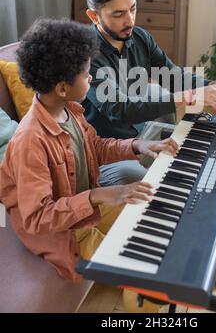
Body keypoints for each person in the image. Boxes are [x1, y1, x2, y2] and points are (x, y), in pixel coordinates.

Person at [0, 19, 178, 282]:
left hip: (83, 210)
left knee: (153, 221)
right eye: (85, 74)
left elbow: (95, 146)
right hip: (62, 232)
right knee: (144, 277)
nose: (91, 76)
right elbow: (36, 218)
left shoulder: (69, 110)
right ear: (62, 87)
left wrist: (137, 145)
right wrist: (97, 195)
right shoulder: (30, 142)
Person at [83, 0, 216, 185]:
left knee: (185, 168)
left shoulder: (139, 37)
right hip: (105, 150)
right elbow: (120, 110)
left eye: (133, 9)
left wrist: (213, 84)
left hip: (140, 135)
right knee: (152, 184)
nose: (129, 20)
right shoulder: (85, 53)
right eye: (118, 14)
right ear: (93, 16)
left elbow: (171, 75)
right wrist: (189, 96)